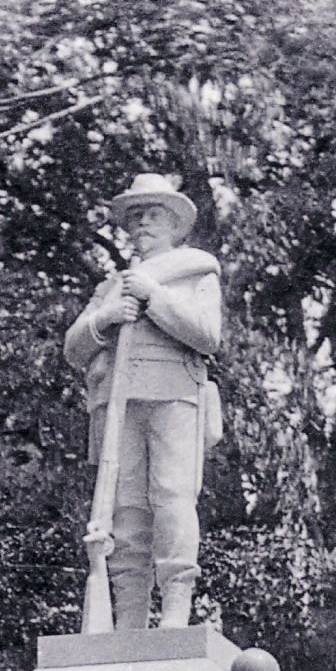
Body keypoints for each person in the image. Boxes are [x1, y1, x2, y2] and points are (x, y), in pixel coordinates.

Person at [64, 173, 222, 631]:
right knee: (126, 514)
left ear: (175, 225)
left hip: (174, 394)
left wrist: (153, 298)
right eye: (135, 217)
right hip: (116, 403)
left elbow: (207, 336)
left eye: (153, 215)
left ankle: (175, 613)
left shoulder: (195, 271)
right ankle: (128, 621)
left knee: (172, 499)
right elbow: (74, 348)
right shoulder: (111, 286)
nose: (142, 225)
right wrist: (106, 320)